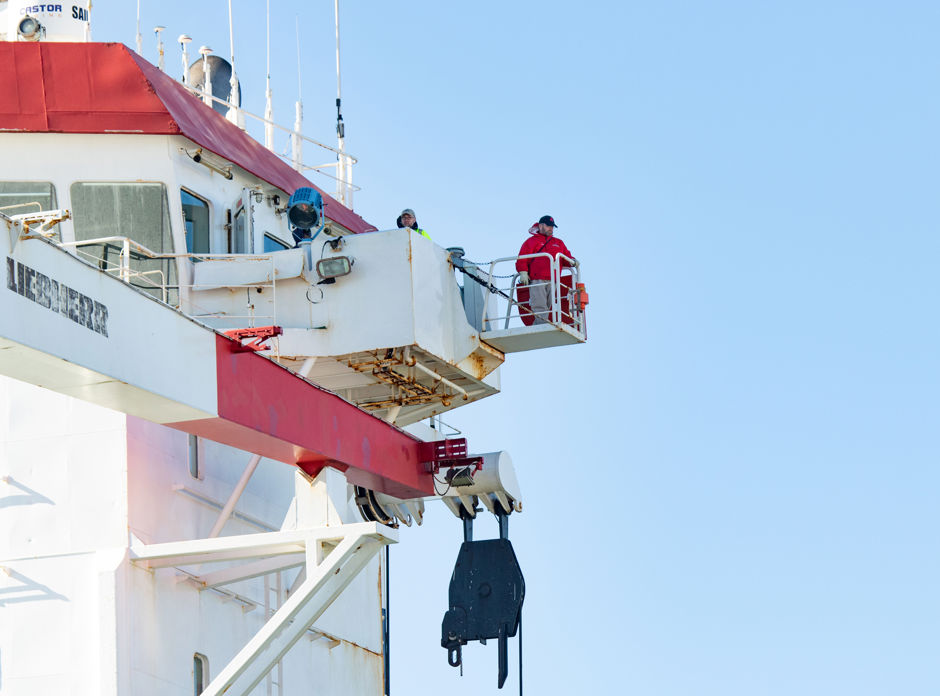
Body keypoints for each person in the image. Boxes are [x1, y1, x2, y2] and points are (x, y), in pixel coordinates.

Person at [515, 215, 574, 323]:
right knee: (539, 305)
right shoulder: (531, 241)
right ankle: (541, 325)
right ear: (541, 226)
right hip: (537, 279)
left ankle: (540, 324)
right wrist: (523, 272)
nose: (551, 228)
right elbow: (522, 258)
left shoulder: (558, 243)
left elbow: (566, 258)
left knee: (548, 305)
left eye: (552, 226)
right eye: (548, 226)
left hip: (553, 280)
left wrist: (573, 261)